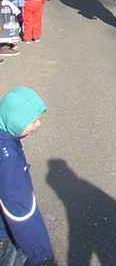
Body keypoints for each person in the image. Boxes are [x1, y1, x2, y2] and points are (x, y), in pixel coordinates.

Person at [0, 86, 55, 265]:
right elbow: (21, 212)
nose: (38, 124)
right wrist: (42, 255)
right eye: (33, 121)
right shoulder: (9, 160)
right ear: (15, 121)